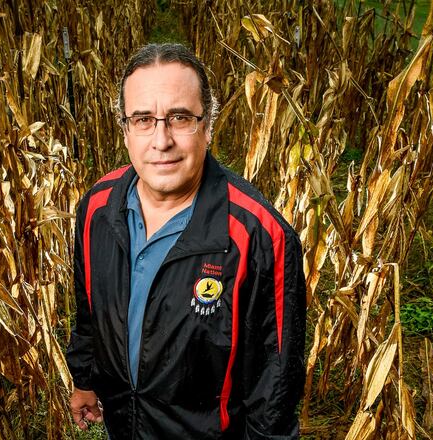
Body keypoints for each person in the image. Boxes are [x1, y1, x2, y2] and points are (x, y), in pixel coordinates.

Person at [66, 43, 306, 439]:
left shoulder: (262, 238)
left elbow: (275, 387)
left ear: (207, 126)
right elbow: (89, 311)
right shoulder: (96, 208)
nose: (161, 140)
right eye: (143, 119)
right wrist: (85, 379)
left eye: (179, 118)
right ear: (125, 130)